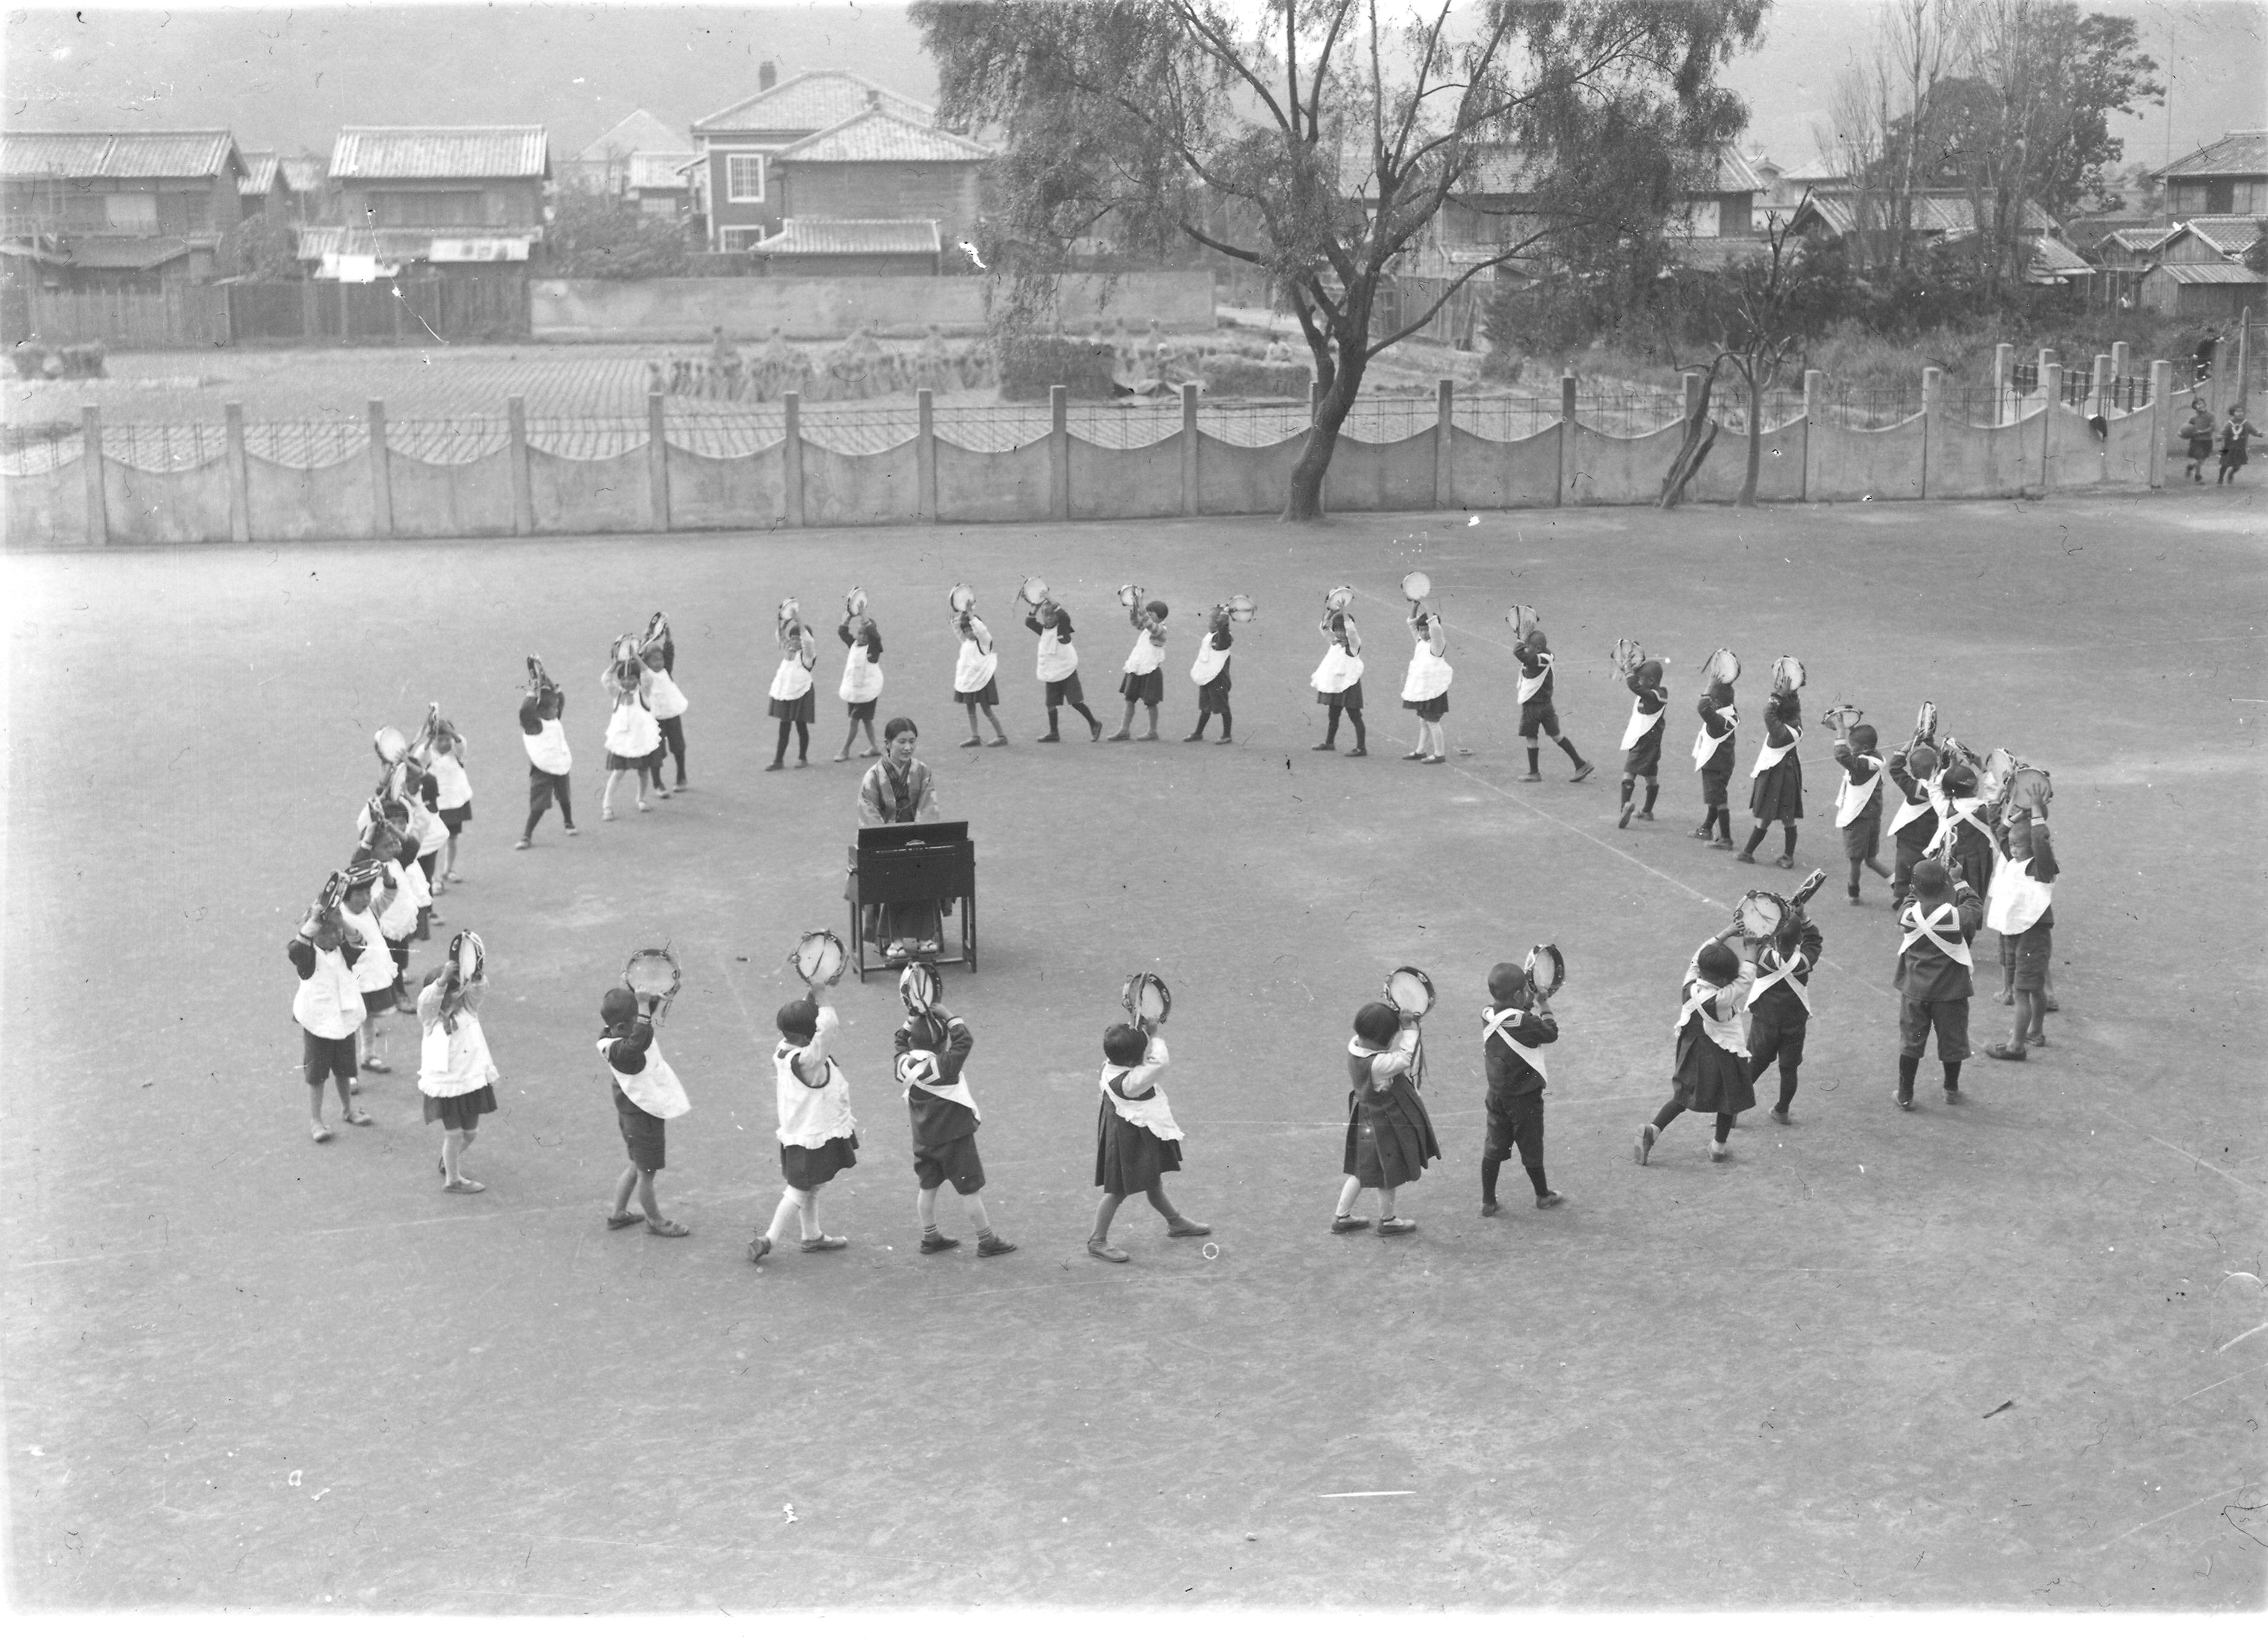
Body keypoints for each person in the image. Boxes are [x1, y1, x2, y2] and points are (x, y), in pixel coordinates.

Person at [892, 981, 1015, 1256]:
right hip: (955, 1141)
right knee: (970, 1191)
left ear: (912, 1043)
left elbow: (899, 1043)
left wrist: (910, 1021)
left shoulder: (902, 1066)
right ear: (941, 1043)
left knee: (927, 1188)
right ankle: (986, 1241)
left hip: (924, 1141)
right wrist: (949, 1016)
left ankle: (930, 1236)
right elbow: (964, 1041)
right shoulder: (945, 1065)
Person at [751, 988, 859, 1261]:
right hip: (814, 1137)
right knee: (800, 1190)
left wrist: (812, 995)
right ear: (807, 1036)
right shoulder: (810, 1060)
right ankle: (769, 1238)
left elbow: (805, 1024)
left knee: (811, 1187)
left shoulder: (784, 1050)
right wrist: (823, 999)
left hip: (799, 1136)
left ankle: (812, 1236)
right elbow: (827, 1030)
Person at [1089, 1021, 1211, 1261]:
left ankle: (1175, 1222)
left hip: (1138, 1134)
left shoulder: (1111, 1064)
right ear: (1133, 1061)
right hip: (1129, 1140)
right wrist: (1153, 1035)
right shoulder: (1131, 1082)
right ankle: (1097, 1240)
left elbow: (1128, 1045)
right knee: (1118, 1192)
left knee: (1153, 1182)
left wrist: (1139, 1029)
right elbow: (1159, 1063)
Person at [1635, 937, 1755, 1165]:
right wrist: (1752, 947)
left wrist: (1727, 933)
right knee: (1728, 1099)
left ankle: (1653, 1130)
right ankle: (1718, 1148)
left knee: (1681, 1097)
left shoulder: (1689, 986)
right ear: (1724, 980)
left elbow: (1698, 956)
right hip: (1723, 1055)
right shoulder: (1721, 999)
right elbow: (1746, 979)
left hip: (1693, 1053)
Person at [1334, 1001, 1439, 1235]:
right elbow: (1406, 1057)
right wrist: (1409, 1029)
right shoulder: (1379, 1064)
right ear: (1381, 1039)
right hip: (1382, 1126)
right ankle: (1388, 1221)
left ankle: (1342, 1216)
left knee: (1359, 1172)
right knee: (1387, 1174)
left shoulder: (1354, 1046)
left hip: (1364, 1121)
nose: (1392, 1041)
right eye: (1391, 1037)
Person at [598, 986, 691, 1237]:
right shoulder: (622, 1050)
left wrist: (657, 994)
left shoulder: (613, 1033)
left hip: (632, 1115)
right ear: (622, 1027)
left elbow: (642, 1020)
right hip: (642, 1117)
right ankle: (656, 1221)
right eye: (637, 1019)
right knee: (646, 1174)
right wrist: (642, 1008)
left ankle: (618, 1214)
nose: (643, 1020)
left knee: (636, 1166)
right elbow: (641, 1036)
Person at [1892, 859, 1984, 1110]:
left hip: (1915, 990)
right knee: (1952, 1042)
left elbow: (1908, 901)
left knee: (1911, 1043)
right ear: (1945, 886)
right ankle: (1950, 1089)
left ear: (1914, 888)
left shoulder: (1908, 916)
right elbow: (1975, 907)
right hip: (1950, 991)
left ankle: (1905, 1094)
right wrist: (1959, 881)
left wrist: (1917, 888)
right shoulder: (1955, 916)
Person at [854, 717, 947, 959]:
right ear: (887, 743)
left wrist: (918, 838)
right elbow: (869, 815)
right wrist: (892, 841)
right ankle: (894, 939)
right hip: (884, 847)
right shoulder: (873, 776)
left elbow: (929, 809)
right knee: (895, 871)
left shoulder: (922, 771)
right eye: (901, 742)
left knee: (924, 868)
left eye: (912, 742)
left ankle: (926, 935)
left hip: (916, 843)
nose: (908, 747)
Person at [1479, 963, 1565, 1215]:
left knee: (1493, 1148)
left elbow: (1511, 1016)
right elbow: (1551, 1033)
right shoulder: (1524, 1021)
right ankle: (1542, 1195)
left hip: (1497, 1096)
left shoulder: (1487, 1015)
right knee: (1531, 1147)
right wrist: (1544, 1005)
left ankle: (1488, 1201)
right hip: (1525, 1100)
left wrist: (1526, 1003)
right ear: (1518, 996)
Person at [417, 935, 499, 1192]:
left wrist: (476, 977)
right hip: (446, 1086)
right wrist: (442, 980)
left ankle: (449, 1162)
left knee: (470, 1134)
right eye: (449, 990)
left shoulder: (469, 1010)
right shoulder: (430, 1018)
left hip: (470, 1082)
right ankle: (452, 1180)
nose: (456, 993)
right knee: (453, 1135)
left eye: (457, 988)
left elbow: (478, 991)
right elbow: (427, 1001)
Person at [288, 890, 371, 1142]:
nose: (335, 936)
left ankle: (348, 1110)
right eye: (328, 933)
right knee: (316, 1075)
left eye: (337, 932)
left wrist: (340, 921)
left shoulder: (343, 950)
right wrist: (314, 921)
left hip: (343, 1019)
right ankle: (316, 1120)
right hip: (318, 1023)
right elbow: (295, 949)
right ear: (315, 935)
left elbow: (361, 943)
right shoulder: (308, 957)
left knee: (345, 1069)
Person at [1985, 792, 2059, 1062]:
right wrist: (2022, 815)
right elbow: (2001, 832)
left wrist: (2037, 812)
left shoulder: (2042, 867)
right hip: (2017, 932)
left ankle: (2016, 1045)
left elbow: (2040, 840)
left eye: (2019, 845)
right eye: (2013, 845)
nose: (2013, 849)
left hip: (2032, 934)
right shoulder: (2015, 861)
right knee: (2034, 988)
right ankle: (2035, 1032)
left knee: (2022, 991)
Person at [1746, 901, 1823, 1125]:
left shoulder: (1764, 958)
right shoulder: (1805, 961)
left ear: (1774, 938)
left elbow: (1753, 939)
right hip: (1794, 1024)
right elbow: (1814, 940)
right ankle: (1782, 1110)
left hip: (1765, 1022)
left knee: (1753, 1066)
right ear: (1799, 939)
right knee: (1789, 1069)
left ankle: (1731, 1112)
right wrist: (1803, 917)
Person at [336, 863, 398, 1079]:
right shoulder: (339, 918)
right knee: (350, 1025)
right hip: (354, 980)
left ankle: (369, 1056)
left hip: (374, 976)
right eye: (359, 894)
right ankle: (348, 1073)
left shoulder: (371, 910)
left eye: (368, 893)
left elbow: (389, 895)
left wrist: (387, 877)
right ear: (346, 897)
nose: (365, 899)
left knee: (369, 1019)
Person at [1511, 625, 1593, 782]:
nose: (1526, 649)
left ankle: (1534, 773)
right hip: (1547, 706)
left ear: (1538, 648)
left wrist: (1521, 638)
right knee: (1556, 736)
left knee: (1531, 737)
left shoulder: (1538, 661)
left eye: (1529, 647)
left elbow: (1518, 653)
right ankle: (1580, 764)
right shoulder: (1546, 656)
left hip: (1533, 706)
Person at [1737, 683, 1804, 867]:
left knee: (1765, 814)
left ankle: (1748, 852)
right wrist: (1792, 693)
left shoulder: (1779, 733)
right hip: (1790, 773)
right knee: (1788, 816)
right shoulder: (1797, 726)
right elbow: (1792, 709)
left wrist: (1777, 695)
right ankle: (1788, 857)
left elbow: (1768, 714)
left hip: (1774, 775)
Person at [1025, 595, 1103, 744]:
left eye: (1052, 615)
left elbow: (1065, 618)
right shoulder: (1043, 631)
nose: (1049, 618)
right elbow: (1029, 622)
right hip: (1052, 673)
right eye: (1046, 615)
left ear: (1057, 616)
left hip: (1067, 673)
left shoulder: (1063, 630)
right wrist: (1035, 608)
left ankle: (1095, 724)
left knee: (1076, 702)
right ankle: (1054, 733)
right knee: (1050, 704)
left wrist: (1053, 603)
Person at [1832, 722, 1891, 902]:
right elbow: (1856, 753)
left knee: (1855, 860)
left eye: (1852, 745)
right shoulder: (1876, 757)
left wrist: (1841, 733)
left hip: (1859, 818)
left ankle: (1853, 895)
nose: (1850, 748)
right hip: (1872, 817)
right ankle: (1898, 884)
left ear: (1864, 748)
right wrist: (1852, 730)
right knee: (1871, 859)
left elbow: (1842, 756)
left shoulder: (1863, 765)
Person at [516, 675, 576, 850]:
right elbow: (525, 710)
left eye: (557, 708)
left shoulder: (554, 719)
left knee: (565, 796)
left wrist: (547, 680)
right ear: (541, 710)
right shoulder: (534, 726)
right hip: (542, 770)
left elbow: (561, 699)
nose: (557, 710)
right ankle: (527, 835)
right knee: (539, 804)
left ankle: (569, 822)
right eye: (553, 708)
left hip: (561, 765)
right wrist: (533, 690)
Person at [599, 657, 660, 818]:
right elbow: (606, 679)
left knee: (643, 772)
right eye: (624, 679)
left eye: (632, 678)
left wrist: (637, 659)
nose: (627, 682)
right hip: (622, 742)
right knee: (618, 773)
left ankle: (641, 799)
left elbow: (649, 677)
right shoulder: (616, 693)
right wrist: (616, 663)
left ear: (638, 679)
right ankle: (607, 806)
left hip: (640, 740)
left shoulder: (644, 693)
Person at [1884, 741, 1942, 905]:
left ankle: (1907, 902)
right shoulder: (1941, 785)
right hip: (1931, 838)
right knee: (1925, 873)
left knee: (1905, 872)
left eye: (1912, 768)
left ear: (1916, 772)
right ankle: (1921, 900)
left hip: (1909, 840)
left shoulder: (1916, 790)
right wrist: (1935, 746)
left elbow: (1894, 768)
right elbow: (1945, 766)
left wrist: (1909, 745)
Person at [1311, 605, 1368, 756]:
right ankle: (1329, 743)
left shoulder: (1354, 645)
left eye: (1343, 630)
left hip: (1350, 686)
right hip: (1336, 686)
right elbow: (1324, 628)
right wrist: (1331, 612)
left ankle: (1361, 748)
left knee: (1355, 716)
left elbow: (1352, 631)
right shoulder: (1335, 642)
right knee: (1333, 715)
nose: (1340, 633)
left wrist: (1344, 612)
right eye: (1337, 630)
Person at [1616, 657, 1667, 828]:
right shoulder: (1657, 692)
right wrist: (1634, 670)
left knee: (1629, 773)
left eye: (1641, 679)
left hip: (1644, 741)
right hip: (1653, 742)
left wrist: (1628, 670)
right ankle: (1647, 812)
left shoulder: (1653, 696)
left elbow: (1634, 686)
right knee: (1651, 776)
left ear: (1651, 681)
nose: (1638, 681)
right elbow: (1638, 686)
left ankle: (1624, 808)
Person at [1109, 599, 1170, 742]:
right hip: (1136, 669)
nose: (1148, 615)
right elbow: (1137, 622)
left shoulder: (1161, 631)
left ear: (1161, 617)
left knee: (1151, 703)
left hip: (1151, 671)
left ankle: (1153, 731)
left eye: (1151, 613)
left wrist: (1142, 609)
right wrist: (1135, 609)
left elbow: (1150, 625)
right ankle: (1124, 730)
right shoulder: (1148, 628)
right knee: (1129, 700)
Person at [1400, 605, 1452, 765]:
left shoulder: (1437, 645)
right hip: (1423, 690)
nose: (1423, 633)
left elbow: (1435, 629)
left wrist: (1428, 607)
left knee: (1432, 723)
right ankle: (1420, 751)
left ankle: (1439, 754)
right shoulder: (1420, 642)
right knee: (1424, 721)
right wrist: (1415, 605)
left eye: (1426, 629)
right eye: (1421, 630)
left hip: (1434, 691)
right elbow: (1412, 624)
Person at [952, 604, 1010, 747]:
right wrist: (963, 613)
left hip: (982, 681)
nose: (969, 633)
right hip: (969, 682)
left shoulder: (984, 642)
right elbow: (957, 628)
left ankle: (1001, 736)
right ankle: (975, 737)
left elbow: (981, 630)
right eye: (966, 631)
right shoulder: (965, 642)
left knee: (987, 710)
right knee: (970, 710)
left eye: (971, 629)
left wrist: (970, 614)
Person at [1691, 677, 1738, 847]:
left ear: (1717, 703)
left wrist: (1710, 686)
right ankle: (1707, 828)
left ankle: (1726, 838)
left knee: (1719, 800)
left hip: (1715, 765)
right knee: (1715, 797)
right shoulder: (1730, 714)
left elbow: (1703, 708)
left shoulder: (1717, 722)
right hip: (1724, 764)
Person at [766, 619, 818, 771]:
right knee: (784, 727)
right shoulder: (788, 650)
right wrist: (786, 621)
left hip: (802, 693)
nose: (795, 642)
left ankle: (803, 758)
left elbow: (809, 641)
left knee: (801, 726)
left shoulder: (808, 656)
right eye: (793, 639)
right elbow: (780, 635)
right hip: (786, 694)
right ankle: (778, 761)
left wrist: (799, 620)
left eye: (798, 639)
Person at [836, 607, 885, 761]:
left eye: (865, 634)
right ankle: (875, 748)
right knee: (866, 720)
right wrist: (848, 618)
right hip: (854, 691)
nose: (862, 637)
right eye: (859, 633)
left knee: (854, 720)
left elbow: (876, 637)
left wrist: (864, 617)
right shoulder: (854, 645)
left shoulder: (874, 650)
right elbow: (843, 633)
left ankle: (845, 750)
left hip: (868, 691)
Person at [641, 633, 689, 792]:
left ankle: (681, 777)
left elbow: (669, 653)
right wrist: (645, 640)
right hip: (655, 721)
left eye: (661, 659)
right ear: (646, 663)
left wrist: (668, 637)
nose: (659, 663)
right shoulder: (645, 676)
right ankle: (658, 784)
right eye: (654, 660)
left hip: (672, 716)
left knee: (679, 747)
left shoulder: (666, 671)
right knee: (656, 752)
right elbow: (638, 659)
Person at [428, 729, 474, 882]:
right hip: (436, 807)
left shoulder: (457, 752)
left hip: (455, 804)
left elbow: (461, 743)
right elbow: (420, 756)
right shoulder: (427, 754)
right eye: (439, 740)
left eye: (448, 739)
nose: (444, 744)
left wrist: (452, 733)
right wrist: (429, 739)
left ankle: (448, 870)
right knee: (434, 844)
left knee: (452, 839)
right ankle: (434, 879)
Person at [1185, 604, 1234, 744]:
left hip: (1219, 679)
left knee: (1223, 707)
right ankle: (1198, 733)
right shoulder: (1210, 636)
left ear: (1217, 623)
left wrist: (1224, 616)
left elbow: (1223, 631)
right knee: (1205, 707)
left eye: (1210, 620)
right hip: (1207, 678)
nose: (1207, 622)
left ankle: (1227, 735)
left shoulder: (1223, 638)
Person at [2218, 402, 2261, 486]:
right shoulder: (2229, 423)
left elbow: (2253, 431)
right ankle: (2220, 479)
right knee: (2225, 464)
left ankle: (2231, 474)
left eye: (2242, 411)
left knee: (2237, 466)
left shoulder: (2246, 423)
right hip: (2227, 448)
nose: (2240, 413)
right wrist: (2221, 436)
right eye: (2238, 412)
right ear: (2233, 413)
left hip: (2240, 448)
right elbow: (2223, 432)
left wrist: (2259, 434)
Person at [2181, 397, 2217, 483]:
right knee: (2199, 459)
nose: (2201, 406)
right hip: (2196, 441)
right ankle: (2198, 477)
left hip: (2207, 441)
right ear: (2195, 407)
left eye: (2202, 403)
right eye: (2198, 404)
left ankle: (2191, 466)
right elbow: (2186, 428)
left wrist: (2202, 432)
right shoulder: (2193, 418)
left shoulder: (2210, 416)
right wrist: (2181, 433)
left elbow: (2212, 428)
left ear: (2205, 404)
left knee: (2202, 460)